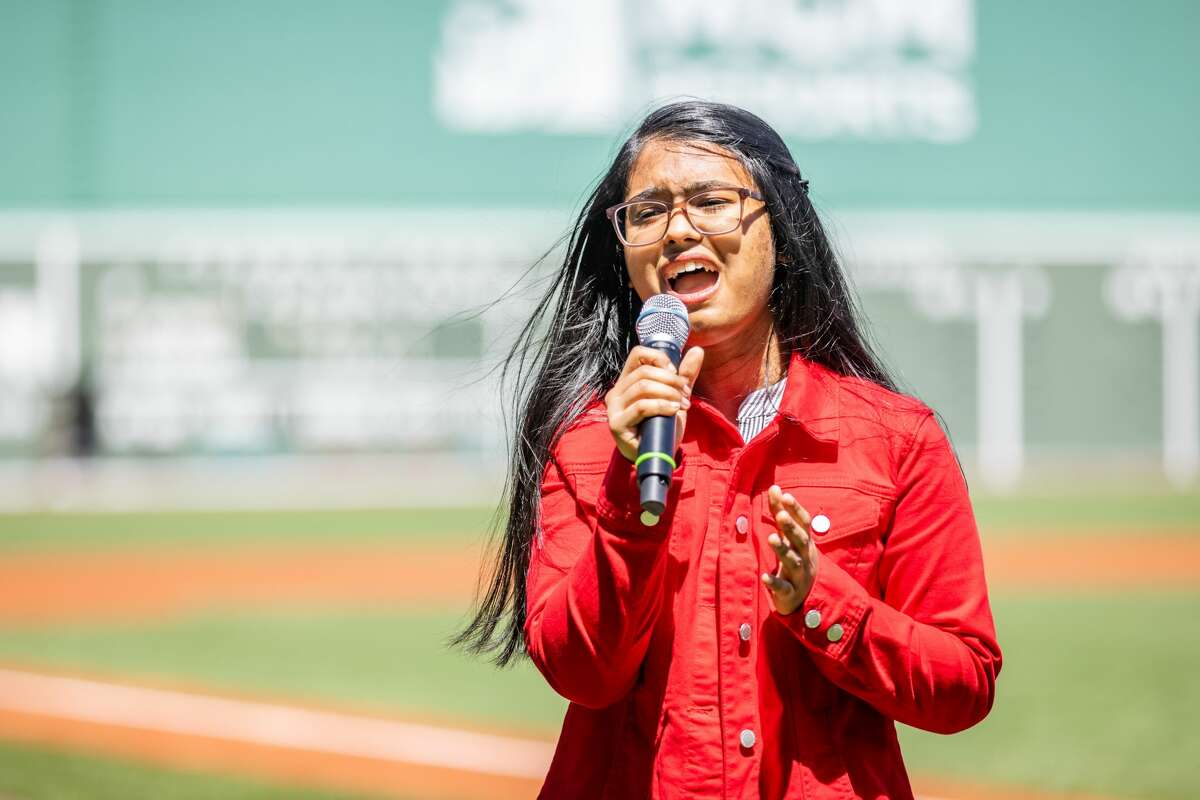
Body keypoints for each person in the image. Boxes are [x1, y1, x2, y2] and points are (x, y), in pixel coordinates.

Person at [456, 100, 1002, 799]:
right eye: (647, 213)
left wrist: (820, 601)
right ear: (626, 257)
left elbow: (963, 685)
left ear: (783, 229)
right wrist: (630, 485)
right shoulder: (586, 444)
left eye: (712, 201)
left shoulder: (896, 439)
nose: (678, 229)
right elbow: (583, 674)